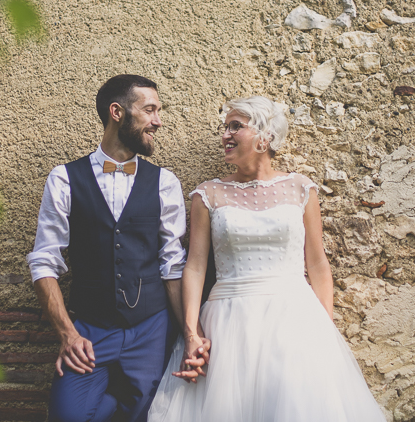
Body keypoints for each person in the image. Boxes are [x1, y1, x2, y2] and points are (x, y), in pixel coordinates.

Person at [148, 96, 388, 422]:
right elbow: (196, 266)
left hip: (294, 317)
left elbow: (317, 264)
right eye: (224, 127)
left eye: (236, 127)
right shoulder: (208, 195)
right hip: (228, 320)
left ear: (265, 137)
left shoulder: (301, 189)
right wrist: (192, 332)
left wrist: (323, 328)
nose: (225, 135)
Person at [27, 75, 205, 422]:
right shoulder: (63, 179)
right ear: (117, 112)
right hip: (90, 329)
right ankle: (111, 401)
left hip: (151, 328)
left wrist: (188, 334)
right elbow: (45, 261)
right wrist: (67, 333)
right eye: (150, 110)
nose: (158, 120)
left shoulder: (165, 183)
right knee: (68, 417)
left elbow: (172, 264)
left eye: (159, 111)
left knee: (150, 414)